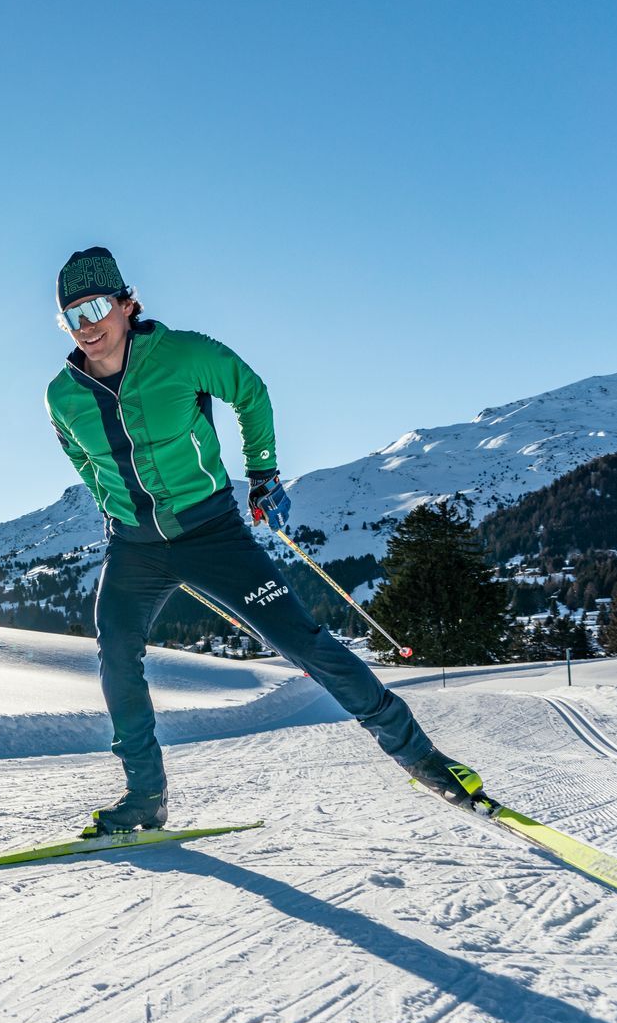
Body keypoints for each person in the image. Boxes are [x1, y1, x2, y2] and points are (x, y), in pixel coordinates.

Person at [43, 246, 486, 834]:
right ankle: (145, 798)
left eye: (97, 306)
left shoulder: (184, 354)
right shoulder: (62, 394)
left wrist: (264, 473)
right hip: (135, 546)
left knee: (304, 643)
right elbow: (78, 455)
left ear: (127, 305)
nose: (87, 324)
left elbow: (249, 390)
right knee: (117, 654)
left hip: (212, 533)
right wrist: (112, 510)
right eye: (71, 316)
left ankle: (422, 759)